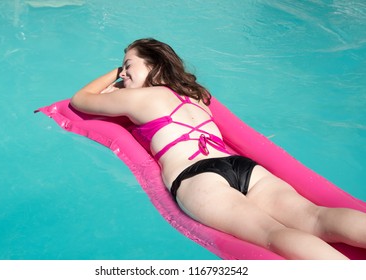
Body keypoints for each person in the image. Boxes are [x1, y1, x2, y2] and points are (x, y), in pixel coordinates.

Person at [71, 38, 366, 260]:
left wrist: (114, 74)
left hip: (198, 178)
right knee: (316, 218)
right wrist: (128, 78)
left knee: (272, 234)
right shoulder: (198, 96)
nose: (124, 72)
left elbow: (80, 99)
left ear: (153, 65)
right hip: (243, 167)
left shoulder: (139, 99)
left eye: (128, 63)